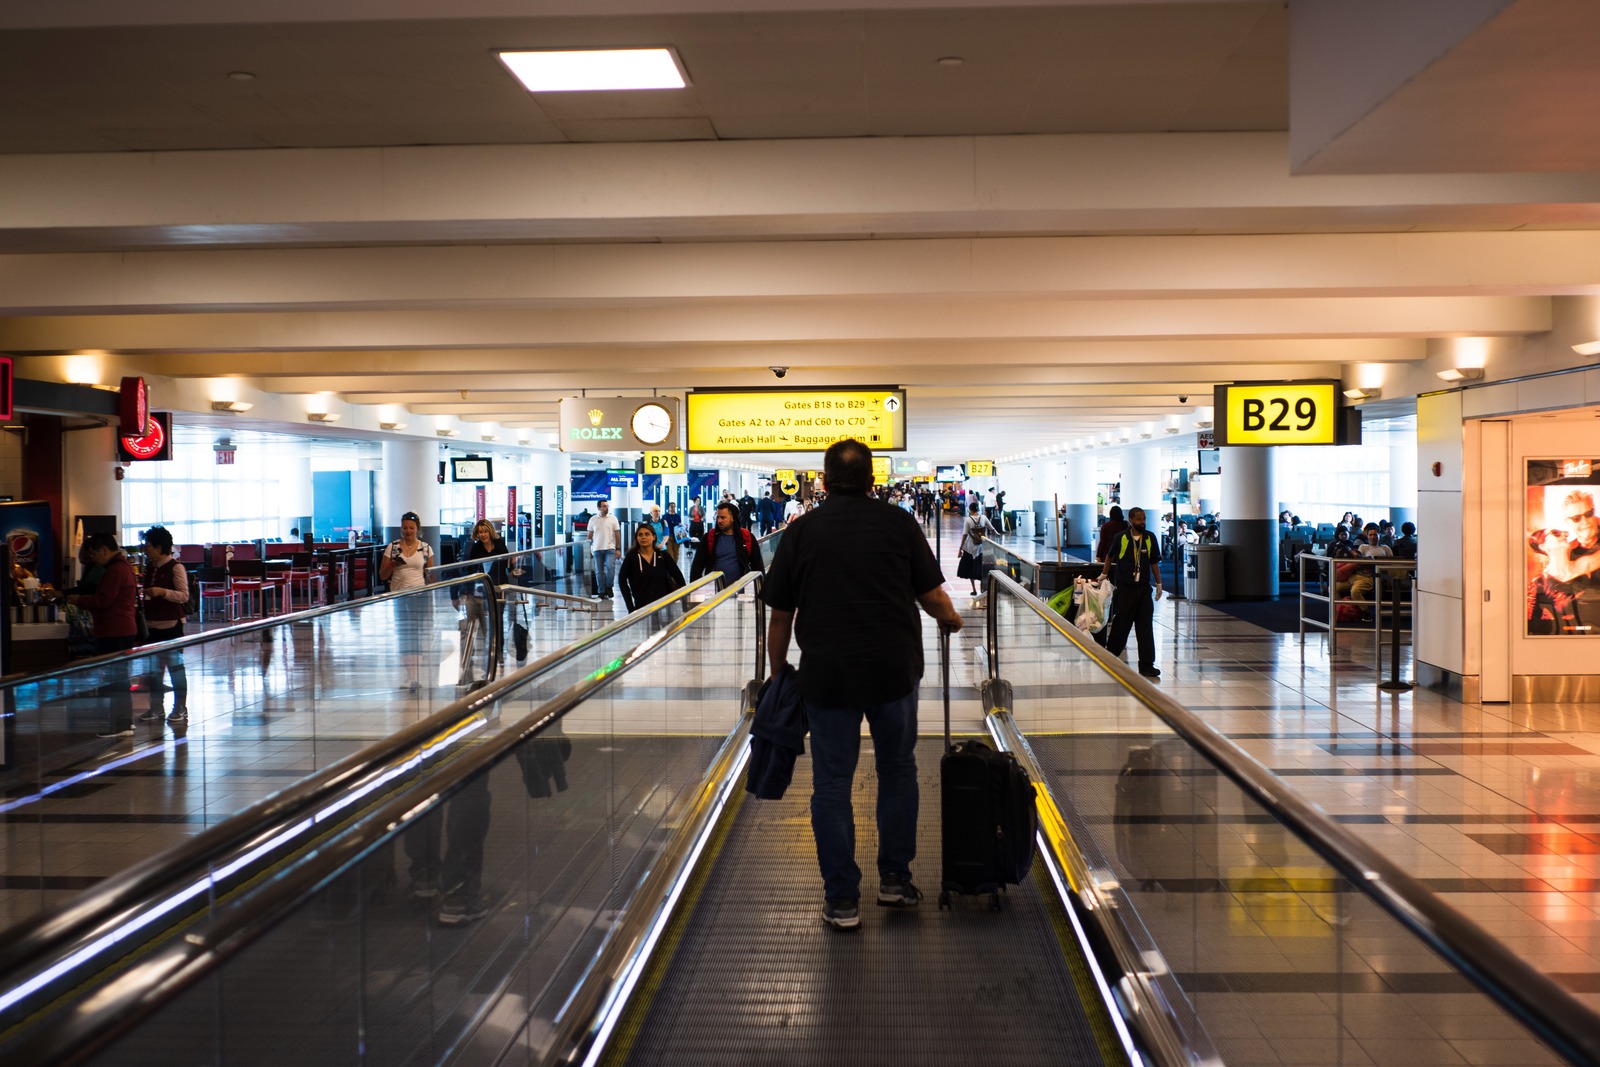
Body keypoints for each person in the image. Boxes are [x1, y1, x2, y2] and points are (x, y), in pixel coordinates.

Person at [761, 438, 963, 932]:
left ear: (823, 481)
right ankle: (894, 881)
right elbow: (932, 595)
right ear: (873, 480)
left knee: (832, 783)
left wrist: (778, 670)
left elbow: (780, 613)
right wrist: (952, 619)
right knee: (897, 770)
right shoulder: (898, 524)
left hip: (826, 674)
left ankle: (843, 900)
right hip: (893, 671)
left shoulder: (801, 531)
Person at [68, 533, 140, 737]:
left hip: (114, 630)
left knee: (114, 679)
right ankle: (124, 721)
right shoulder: (121, 567)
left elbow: (103, 601)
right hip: (121, 628)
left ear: (104, 550)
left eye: (94, 554)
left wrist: (80, 600)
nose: (94, 560)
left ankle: (119, 725)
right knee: (120, 678)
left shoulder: (115, 570)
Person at [1100, 506, 1163, 679]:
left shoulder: (1150, 538)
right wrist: (1104, 574)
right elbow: (1110, 556)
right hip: (1126, 589)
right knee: (1121, 625)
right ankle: (1109, 658)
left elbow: (1154, 562)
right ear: (1130, 520)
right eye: (1139, 519)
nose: (1142, 522)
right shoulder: (1121, 538)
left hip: (1143, 590)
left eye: (1144, 518)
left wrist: (1158, 583)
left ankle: (1147, 665)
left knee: (1145, 628)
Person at [1528, 490, 1600, 634]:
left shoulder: (1583, 563)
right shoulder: (1540, 583)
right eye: (1576, 518)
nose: (1585, 522)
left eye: (1588, 514)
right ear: (1567, 522)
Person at [138, 525, 190, 724]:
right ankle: (156, 707)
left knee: (175, 668)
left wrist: (162, 592)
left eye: (148, 545)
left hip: (171, 626)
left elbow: (184, 596)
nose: (145, 549)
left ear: (160, 547)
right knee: (152, 670)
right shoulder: (150, 567)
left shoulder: (176, 567)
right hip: (151, 625)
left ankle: (180, 707)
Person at [380, 511, 434, 691]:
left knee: (417, 635)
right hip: (398, 596)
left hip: (420, 596)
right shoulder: (393, 547)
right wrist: (391, 565)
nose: (408, 531)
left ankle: (415, 675)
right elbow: (382, 575)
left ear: (418, 529)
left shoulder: (426, 548)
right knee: (404, 636)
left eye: (411, 528)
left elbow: (431, 575)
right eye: (405, 528)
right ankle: (409, 675)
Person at [451, 519, 507, 686]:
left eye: (485, 531)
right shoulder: (475, 547)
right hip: (477, 591)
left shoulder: (500, 545)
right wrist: (462, 591)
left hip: (497, 588)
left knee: (496, 622)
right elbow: (468, 569)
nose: (482, 535)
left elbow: (506, 564)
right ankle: (472, 655)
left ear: (490, 531)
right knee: (476, 624)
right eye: (480, 532)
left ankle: (497, 652)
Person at [690, 501, 765, 589]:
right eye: (718, 517)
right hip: (715, 590)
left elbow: (757, 565)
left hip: (740, 590)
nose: (719, 521)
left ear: (733, 518)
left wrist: (761, 588)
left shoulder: (747, 537)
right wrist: (694, 589)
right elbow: (697, 565)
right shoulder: (709, 537)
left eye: (723, 517)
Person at [618, 521, 687, 614]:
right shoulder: (631, 557)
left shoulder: (662, 555)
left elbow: (678, 576)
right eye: (640, 535)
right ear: (636, 538)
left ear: (653, 537)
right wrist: (630, 608)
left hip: (663, 606)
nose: (644, 537)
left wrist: (685, 602)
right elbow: (622, 580)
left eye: (647, 534)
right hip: (641, 607)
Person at [956, 500, 997, 598]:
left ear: (970, 510)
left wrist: (960, 548)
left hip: (970, 548)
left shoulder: (968, 519)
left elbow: (965, 534)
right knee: (982, 568)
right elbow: (992, 529)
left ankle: (974, 589)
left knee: (970, 569)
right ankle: (983, 588)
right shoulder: (983, 518)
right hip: (982, 547)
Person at [587, 499, 621, 599]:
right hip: (597, 548)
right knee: (599, 571)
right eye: (604, 506)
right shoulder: (593, 519)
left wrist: (618, 548)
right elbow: (589, 535)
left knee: (611, 568)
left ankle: (609, 586)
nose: (606, 508)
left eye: (607, 505)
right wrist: (588, 549)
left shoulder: (613, 518)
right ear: (599, 508)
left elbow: (617, 534)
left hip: (610, 548)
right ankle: (601, 590)